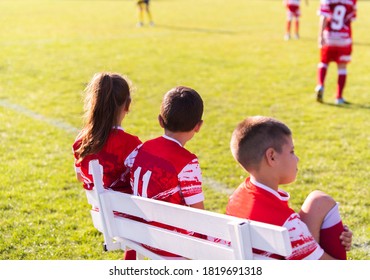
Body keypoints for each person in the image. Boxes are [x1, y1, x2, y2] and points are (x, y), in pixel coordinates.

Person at [226, 116, 353, 260]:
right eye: (292, 152)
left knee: (319, 200)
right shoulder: (286, 224)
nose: (297, 158)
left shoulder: (238, 196)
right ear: (272, 157)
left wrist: (332, 235)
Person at [124, 86, 205, 257]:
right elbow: (198, 213)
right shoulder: (187, 162)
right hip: (171, 243)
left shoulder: (141, 149)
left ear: (160, 120)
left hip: (140, 234)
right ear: (198, 126)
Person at [315, 0, 357, 104]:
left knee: (323, 62)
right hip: (344, 37)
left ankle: (320, 85)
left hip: (329, 35)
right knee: (342, 67)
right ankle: (339, 97)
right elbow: (351, 18)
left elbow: (324, 17)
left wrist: (320, 36)